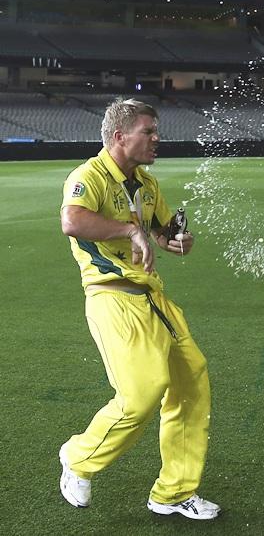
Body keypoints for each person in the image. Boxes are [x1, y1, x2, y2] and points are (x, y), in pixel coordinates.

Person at [59, 98, 219, 520]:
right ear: (119, 136)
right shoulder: (88, 175)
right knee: (141, 393)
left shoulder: (146, 184)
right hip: (111, 298)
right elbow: (73, 221)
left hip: (152, 297)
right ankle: (77, 458)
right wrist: (131, 229)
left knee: (191, 383)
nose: (156, 138)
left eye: (155, 131)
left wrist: (176, 242)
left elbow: (164, 234)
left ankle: (173, 491)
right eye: (148, 131)